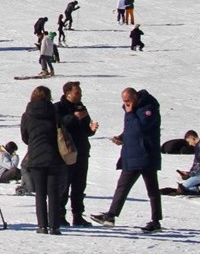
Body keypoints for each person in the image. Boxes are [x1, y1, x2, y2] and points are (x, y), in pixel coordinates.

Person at [91, 88, 163, 233]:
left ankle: (156, 221)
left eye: (128, 101)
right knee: (122, 187)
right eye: (124, 102)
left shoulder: (149, 108)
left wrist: (130, 113)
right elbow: (131, 129)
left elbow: (140, 128)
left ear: (135, 97)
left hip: (146, 155)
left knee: (152, 190)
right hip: (132, 155)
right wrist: (122, 138)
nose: (126, 104)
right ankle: (111, 215)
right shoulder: (132, 109)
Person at [21, 86, 65, 234]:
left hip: (35, 156)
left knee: (40, 193)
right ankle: (54, 226)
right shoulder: (54, 113)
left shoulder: (27, 115)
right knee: (53, 193)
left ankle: (42, 226)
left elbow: (25, 137)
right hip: (53, 156)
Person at [54, 81, 97, 227]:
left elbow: (85, 129)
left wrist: (91, 129)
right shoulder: (58, 107)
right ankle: (59, 215)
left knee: (79, 186)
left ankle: (78, 215)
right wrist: (74, 117)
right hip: (66, 153)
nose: (80, 95)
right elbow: (58, 125)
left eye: (80, 92)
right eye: (77, 93)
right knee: (63, 185)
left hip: (82, 151)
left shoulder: (81, 107)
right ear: (68, 94)